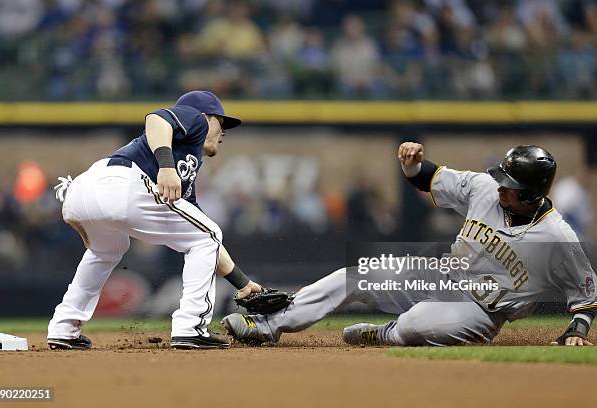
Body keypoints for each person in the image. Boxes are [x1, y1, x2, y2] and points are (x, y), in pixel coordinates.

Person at [223, 143, 596, 347]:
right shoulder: (485, 189)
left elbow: (586, 296)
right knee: (352, 276)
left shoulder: (557, 238)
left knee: (416, 325)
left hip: (482, 310)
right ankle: (268, 325)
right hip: (442, 276)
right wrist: (412, 166)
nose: (500, 186)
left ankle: (386, 334)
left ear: (531, 193)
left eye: (510, 185)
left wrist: (578, 329)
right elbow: (429, 179)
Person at [47, 90, 262, 350]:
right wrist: (167, 167)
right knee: (207, 235)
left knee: (108, 250)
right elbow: (156, 119)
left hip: (82, 191)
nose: (224, 131)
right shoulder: (196, 118)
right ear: (206, 116)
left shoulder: (188, 164)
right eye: (222, 122)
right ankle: (190, 327)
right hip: (120, 184)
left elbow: (205, 238)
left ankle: (64, 327)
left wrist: (242, 283)